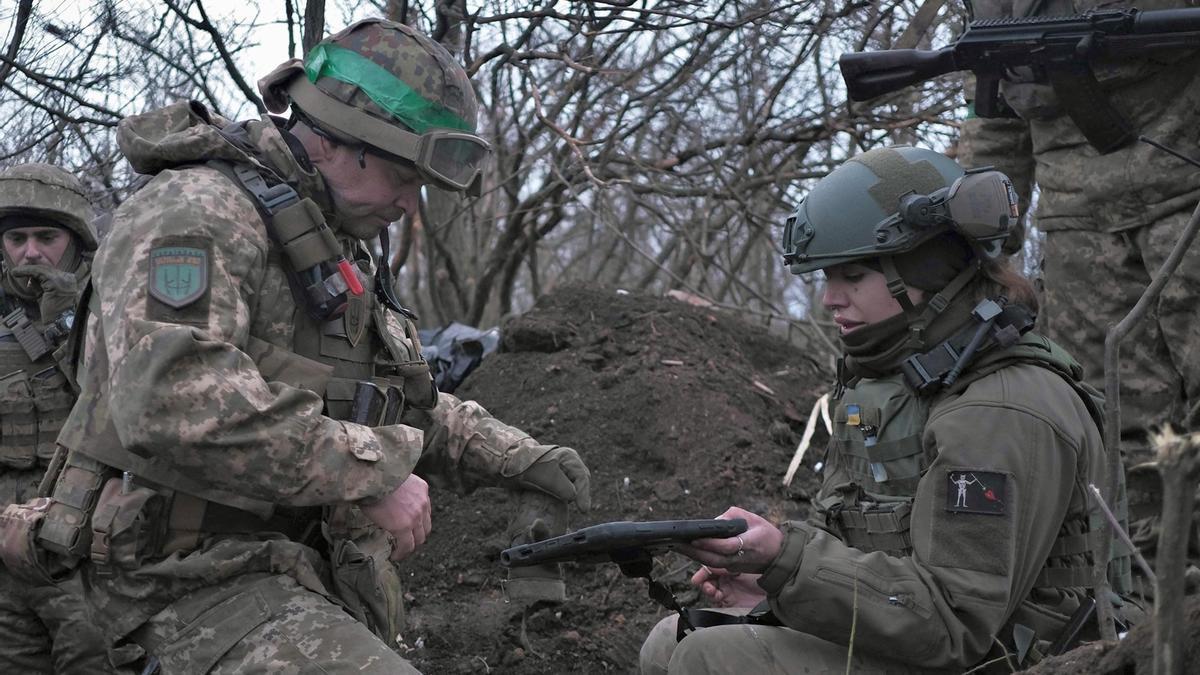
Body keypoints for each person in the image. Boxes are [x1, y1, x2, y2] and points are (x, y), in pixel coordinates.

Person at [34, 19, 589, 673]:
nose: (412, 203)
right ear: (333, 139)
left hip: (284, 566)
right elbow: (173, 402)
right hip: (170, 579)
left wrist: (522, 457)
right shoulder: (196, 212)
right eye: (402, 174)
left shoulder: (327, 240)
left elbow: (385, 398)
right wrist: (377, 472)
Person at [639, 146, 1136, 674]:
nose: (831, 299)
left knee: (714, 659)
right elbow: (881, 564)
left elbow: (955, 623)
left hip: (1020, 659)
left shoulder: (1002, 408)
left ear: (926, 269)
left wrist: (788, 561)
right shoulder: (899, 385)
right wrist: (772, 582)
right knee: (672, 638)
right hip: (932, 641)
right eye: (826, 278)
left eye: (852, 275)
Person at [957, 0, 1200, 438]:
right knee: (1115, 427)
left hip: (1187, 202)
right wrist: (980, 247)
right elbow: (994, 119)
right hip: (1079, 236)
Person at [0, 163, 113, 672]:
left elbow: (123, 406)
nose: (30, 252)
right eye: (16, 237)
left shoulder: (113, 304)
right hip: (6, 553)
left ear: (76, 241)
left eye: (46, 236)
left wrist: (69, 320)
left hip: (86, 553)